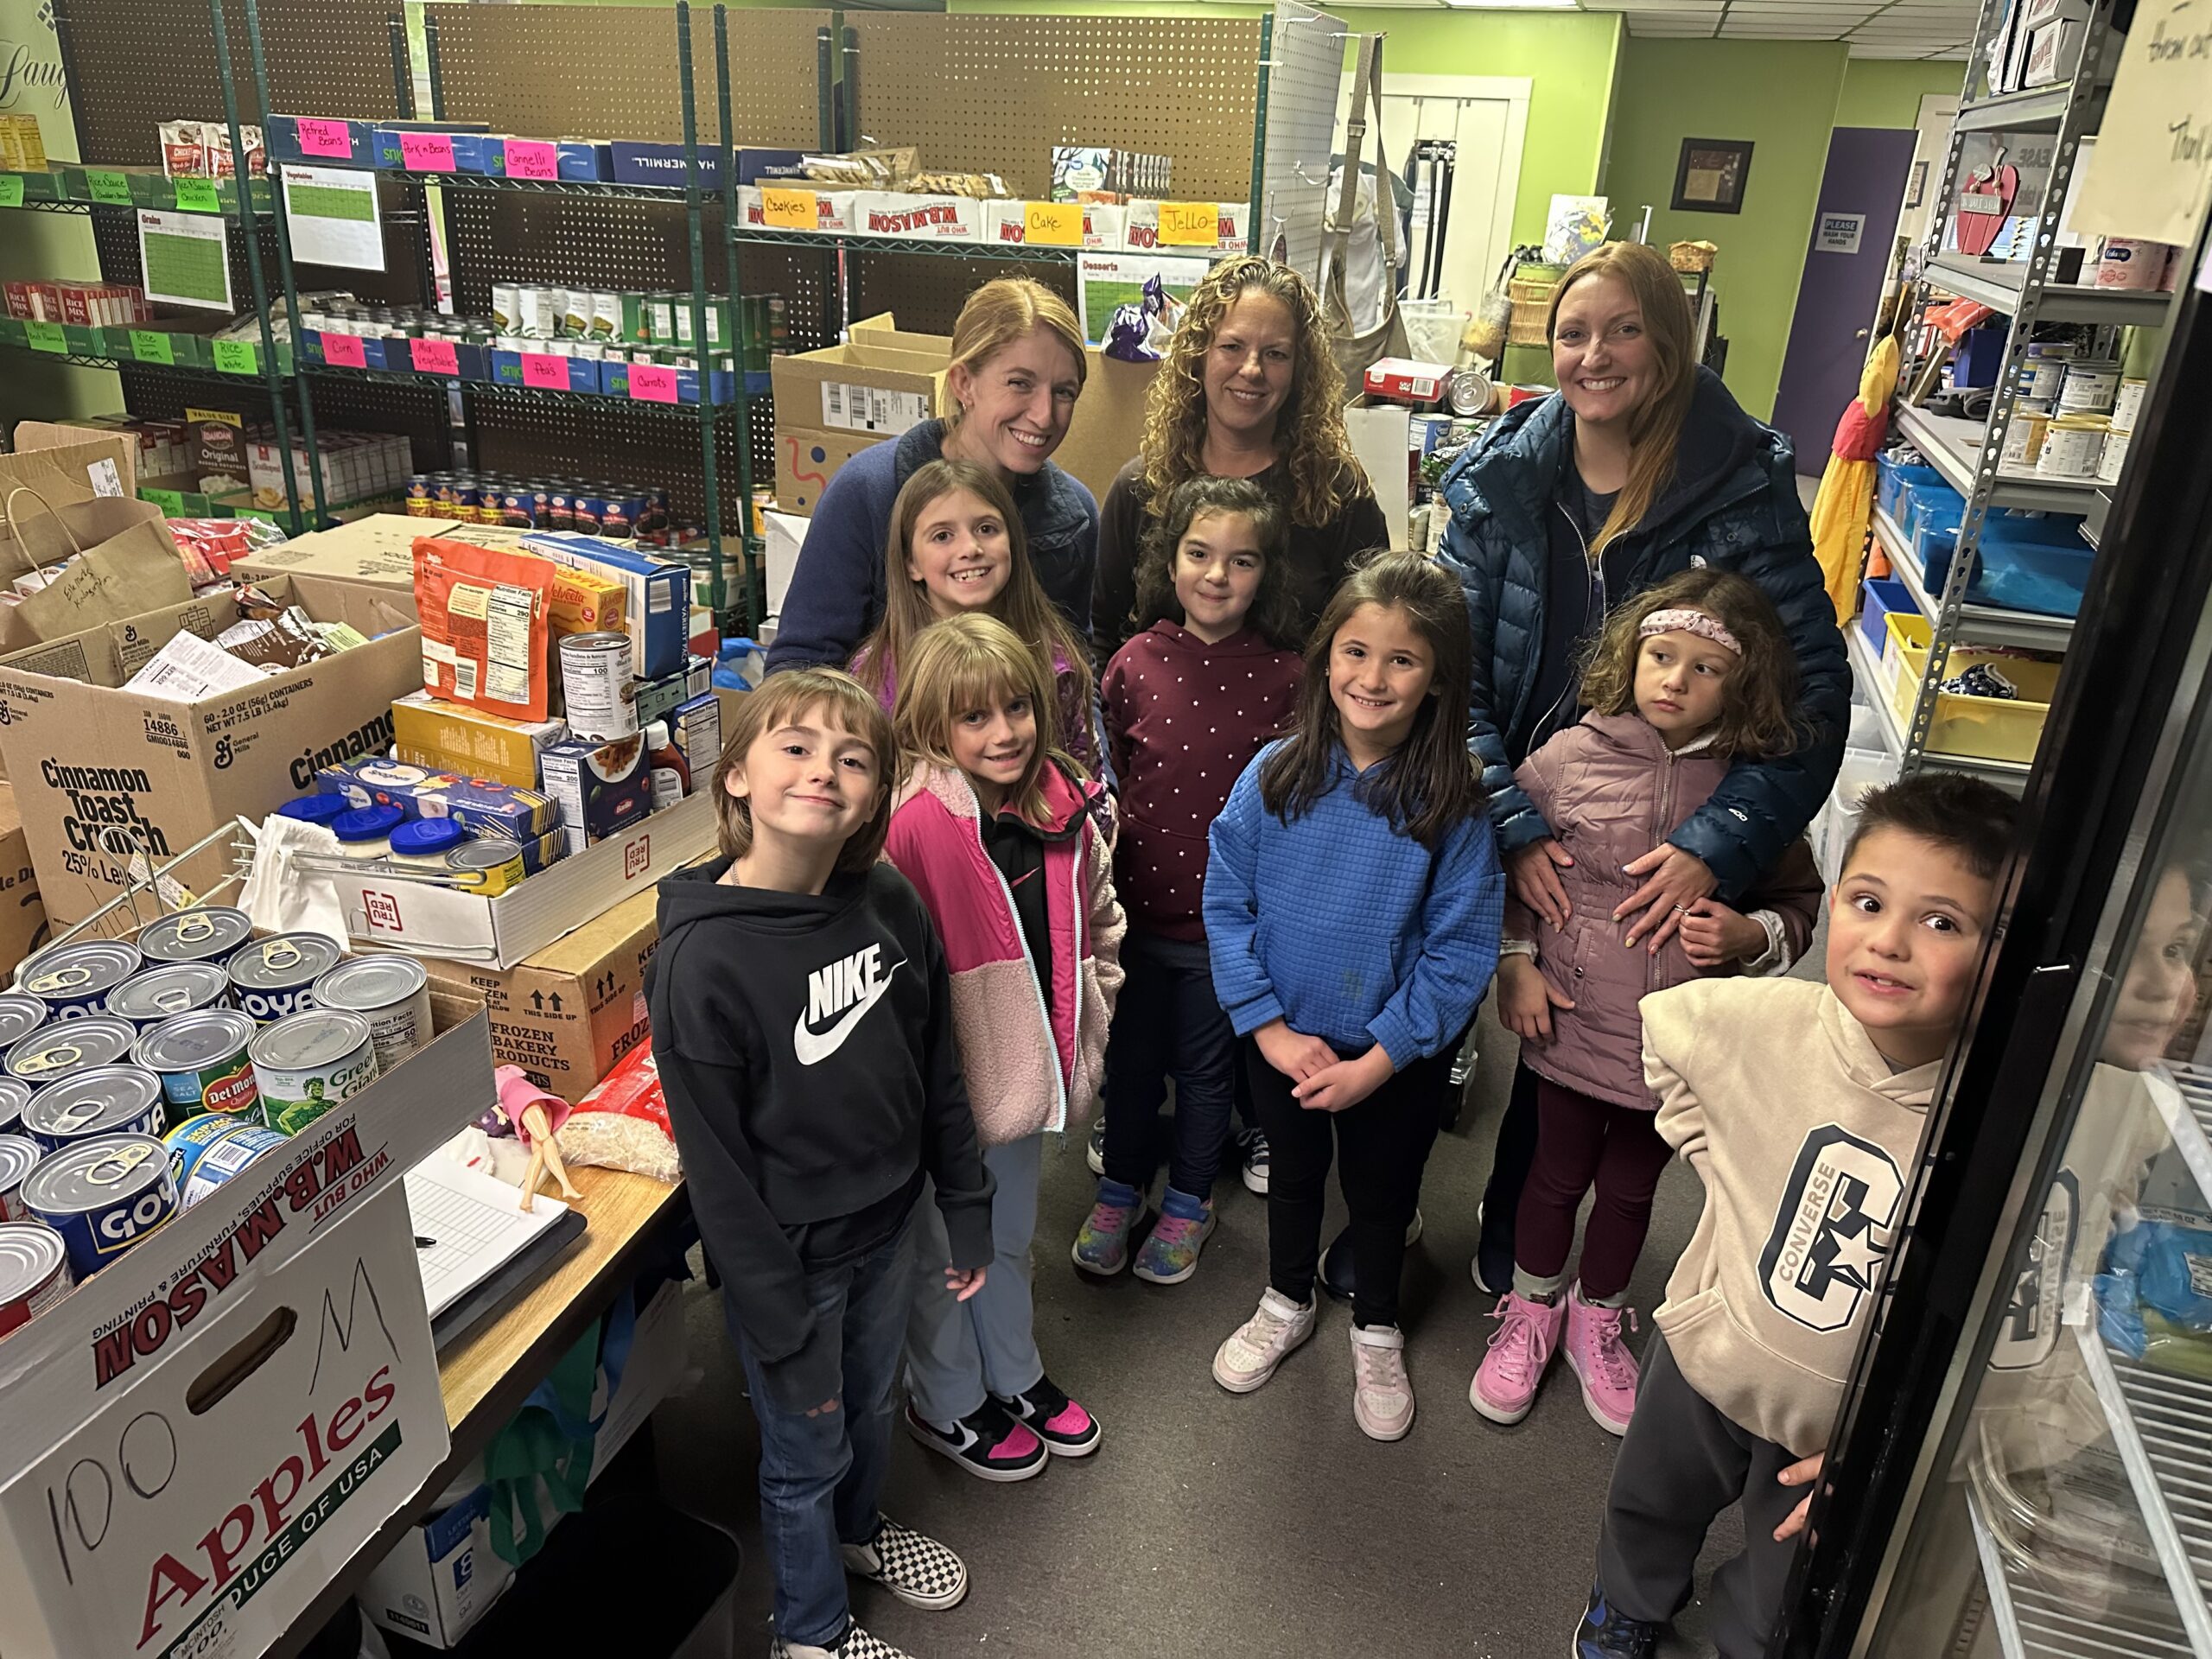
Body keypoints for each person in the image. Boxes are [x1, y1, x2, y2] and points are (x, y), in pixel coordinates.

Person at [1436, 238, 1850, 1298]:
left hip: (1670, 810)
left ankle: (1596, 1275)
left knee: (1628, 1032)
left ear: (1668, 346)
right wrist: (1510, 825)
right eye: (1574, 332)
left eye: (1623, 328)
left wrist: (1719, 846)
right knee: (1539, 1018)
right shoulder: (1499, 484)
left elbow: (1809, 697)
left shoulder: (1738, 487)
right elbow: (1453, 674)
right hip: (1531, 798)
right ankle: (1518, 1238)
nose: (1595, 353)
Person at [1572, 772, 2017, 1659]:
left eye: (1941, 922)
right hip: (1713, 1350)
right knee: (1651, 1501)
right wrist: (1725, 1159)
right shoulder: (1772, 1020)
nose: (1887, 942)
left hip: (1844, 1421)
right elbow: (1666, 1030)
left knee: (1794, 1570)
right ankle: (1626, 1602)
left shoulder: (2000, 1108)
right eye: (1866, 900)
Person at [650, 669, 995, 1659]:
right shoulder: (702, 962)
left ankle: (855, 1532)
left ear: (875, 797)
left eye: (853, 759)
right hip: (789, 1259)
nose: (823, 772)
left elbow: (937, 1065)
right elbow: (717, 1173)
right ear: (735, 780)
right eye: (795, 748)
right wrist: (774, 1314)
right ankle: (809, 1632)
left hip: (888, 1224)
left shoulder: (885, 898)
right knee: (803, 1449)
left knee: (873, 1405)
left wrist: (963, 1200)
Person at [1471, 569, 1821, 1438]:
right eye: (1661, 656)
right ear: (1630, 656)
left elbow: (1800, 900)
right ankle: (1530, 1310)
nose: (1674, 679)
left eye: (1705, 668)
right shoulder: (1565, 759)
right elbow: (1510, 867)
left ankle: (1598, 1318)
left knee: (1631, 1193)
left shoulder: (1753, 795)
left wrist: (1756, 939)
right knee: (1551, 1180)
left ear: (1743, 685)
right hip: (1571, 1022)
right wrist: (1514, 961)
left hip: (1679, 1047)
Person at [1205, 551, 1503, 1442]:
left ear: (1438, 680)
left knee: (1381, 1197)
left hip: (1393, 1060)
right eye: (1355, 652)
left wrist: (1378, 1060)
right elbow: (1225, 902)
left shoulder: (1453, 803)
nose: (1372, 677)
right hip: (1284, 1042)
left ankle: (1376, 1322)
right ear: (1325, 658)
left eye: (1401, 660)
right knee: (1290, 1183)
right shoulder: (1271, 776)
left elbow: (1457, 956)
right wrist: (1264, 1028)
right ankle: (1286, 1298)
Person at [885, 613, 1126, 1481]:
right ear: (932, 724)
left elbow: (1101, 915)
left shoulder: (1063, 803)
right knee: (943, 1256)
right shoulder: (911, 826)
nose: (1003, 733)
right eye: (974, 717)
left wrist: (1097, 1001)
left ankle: (1013, 1374)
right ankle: (945, 1397)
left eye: (1016, 709)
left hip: (1024, 1084)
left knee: (1009, 1237)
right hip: (940, 1094)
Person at [1071, 476, 1304, 1285]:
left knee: (1208, 1074)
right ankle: (1119, 1186)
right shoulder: (1135, 663)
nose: (1216, 575)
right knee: (1129, 1066)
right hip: (1133, 917)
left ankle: (1190, 1201)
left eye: (1241, 561)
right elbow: (1120, 778)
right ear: (1169, 562)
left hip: (1224, 930)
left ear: (1266, 573)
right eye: (1199, 554)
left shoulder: (1289, 676)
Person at [768, 277, 1097, 673]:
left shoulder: (1075, 517)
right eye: (1019, 383)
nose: (1044, 415)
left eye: (1064, 392)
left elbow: (1076, 674)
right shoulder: (869, 492)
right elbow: (799, 670)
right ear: (964, 382)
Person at [1091, 253, 1389, 660]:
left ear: (1300, 369)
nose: (1252, 369)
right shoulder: (1141, 488)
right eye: (1232, 346)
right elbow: (1104, 640)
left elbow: (1372, 646)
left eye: (1276, 354)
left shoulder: (1338, 497)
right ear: (1199, 354)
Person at [853, 458, 1099, 772]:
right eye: (942, 536)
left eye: (986, 529)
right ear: (911, 563)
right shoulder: (875, 675)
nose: (970, 548)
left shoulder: (1055, 663)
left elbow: (1082, 778)